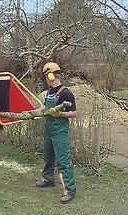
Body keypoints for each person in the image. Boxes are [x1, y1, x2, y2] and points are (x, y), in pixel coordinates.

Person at [35, 62, 77, 204]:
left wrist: (59, 113)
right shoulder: (49, 93)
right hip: (48, 129)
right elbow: (46, 110)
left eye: (45, 77)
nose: (45, 80)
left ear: (51, 75)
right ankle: (48, 179)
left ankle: (69, 190)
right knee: (48, 156)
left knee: (63, 161)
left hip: (60, 131)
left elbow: (73, 113)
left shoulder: (66, 92)